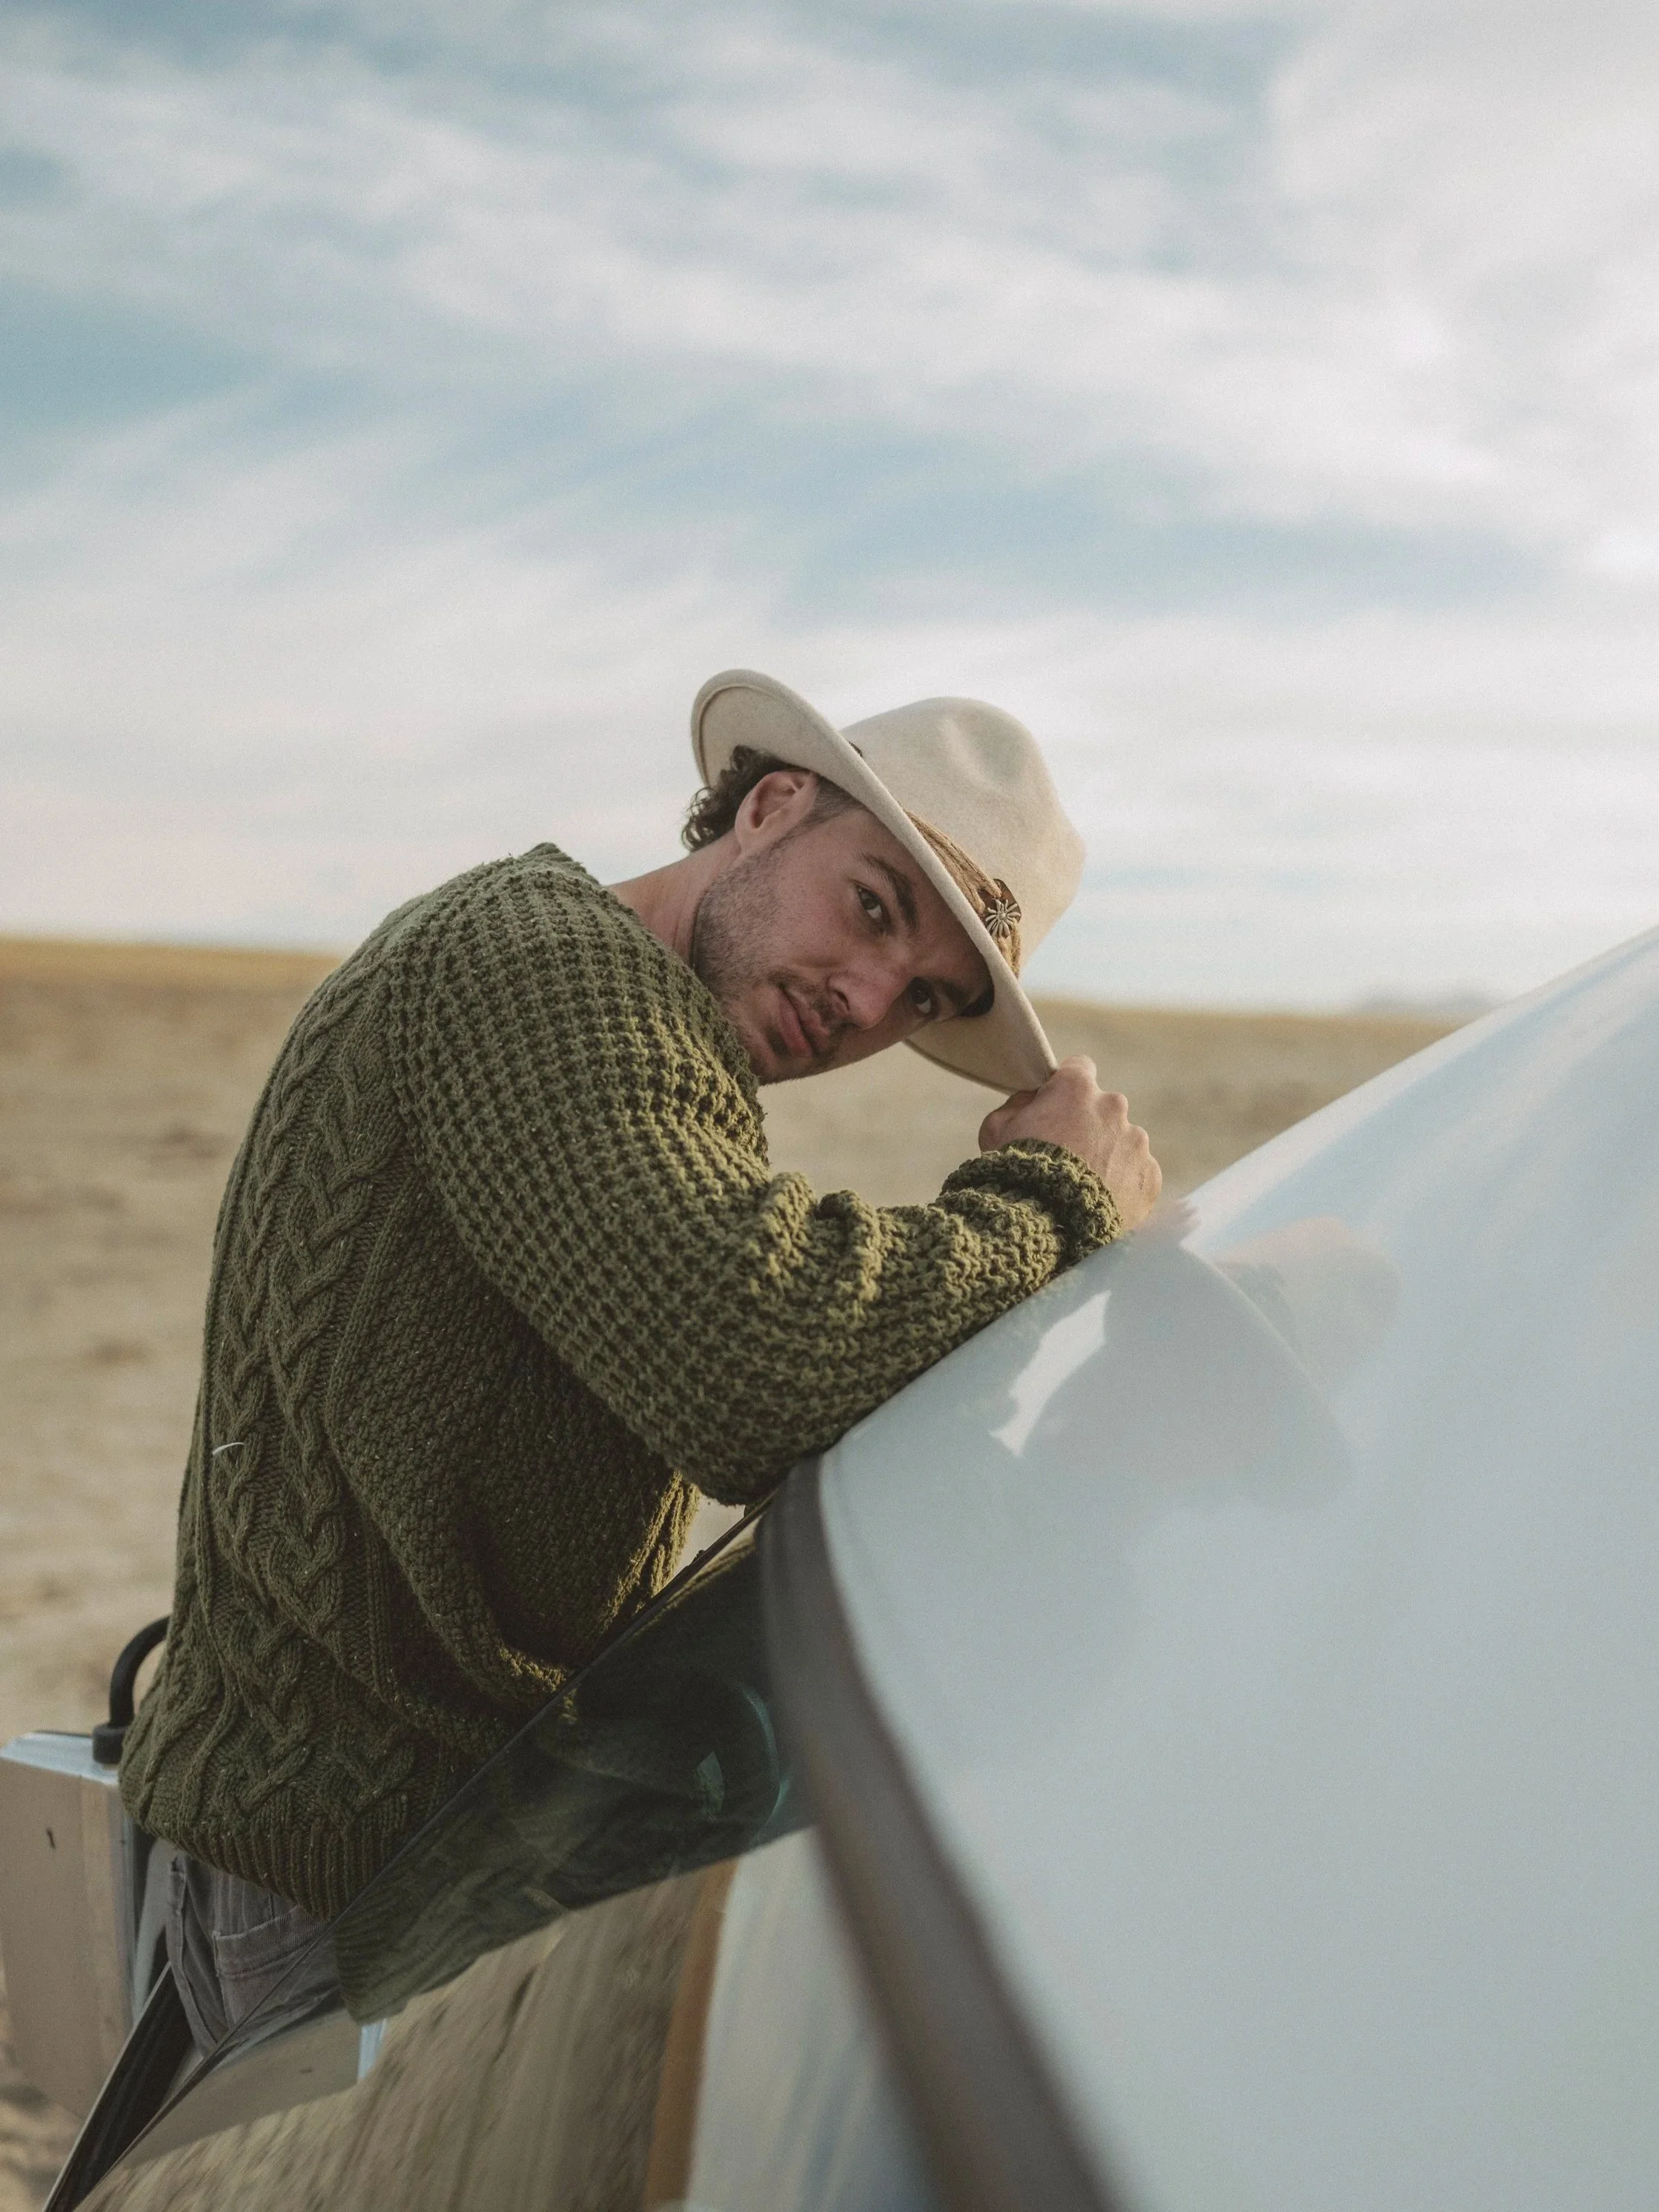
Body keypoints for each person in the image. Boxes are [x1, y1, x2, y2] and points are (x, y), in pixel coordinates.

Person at [120, 667, 1161, 2052]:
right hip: (337, 1863)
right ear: (770, 804)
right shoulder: (538, 973)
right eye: (870, 906)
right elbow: (762, 1361)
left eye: (925, 996)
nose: (864, 998)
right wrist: (1042, 1200)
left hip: (397, 1826)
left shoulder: (633, 1023)